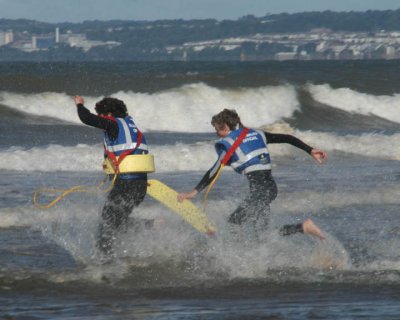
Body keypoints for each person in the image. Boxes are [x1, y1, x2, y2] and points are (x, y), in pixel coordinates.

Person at [178, 108, 327, 241]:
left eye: (217, 129)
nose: (216, 133)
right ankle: (301, 228)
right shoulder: (257, 134)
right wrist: (310, 150)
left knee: (233, 222)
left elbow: (213, 170)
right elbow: (288, 138)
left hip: (261, 193)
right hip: (269, 190)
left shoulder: (228, 143)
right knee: (263, 235)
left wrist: (193, 192)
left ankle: (303, 227)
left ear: (225, 127)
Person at [73, 95, 150, 256]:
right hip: (139, 185)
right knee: (117, 221)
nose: (101, 121)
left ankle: (104, 262)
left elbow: (86, 118)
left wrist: (80, 105)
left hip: (127, 185)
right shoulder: (130, 126)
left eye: (101, 116)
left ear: (108, 114)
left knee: (106, 224)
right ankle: (150, 225)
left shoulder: (113, 124)